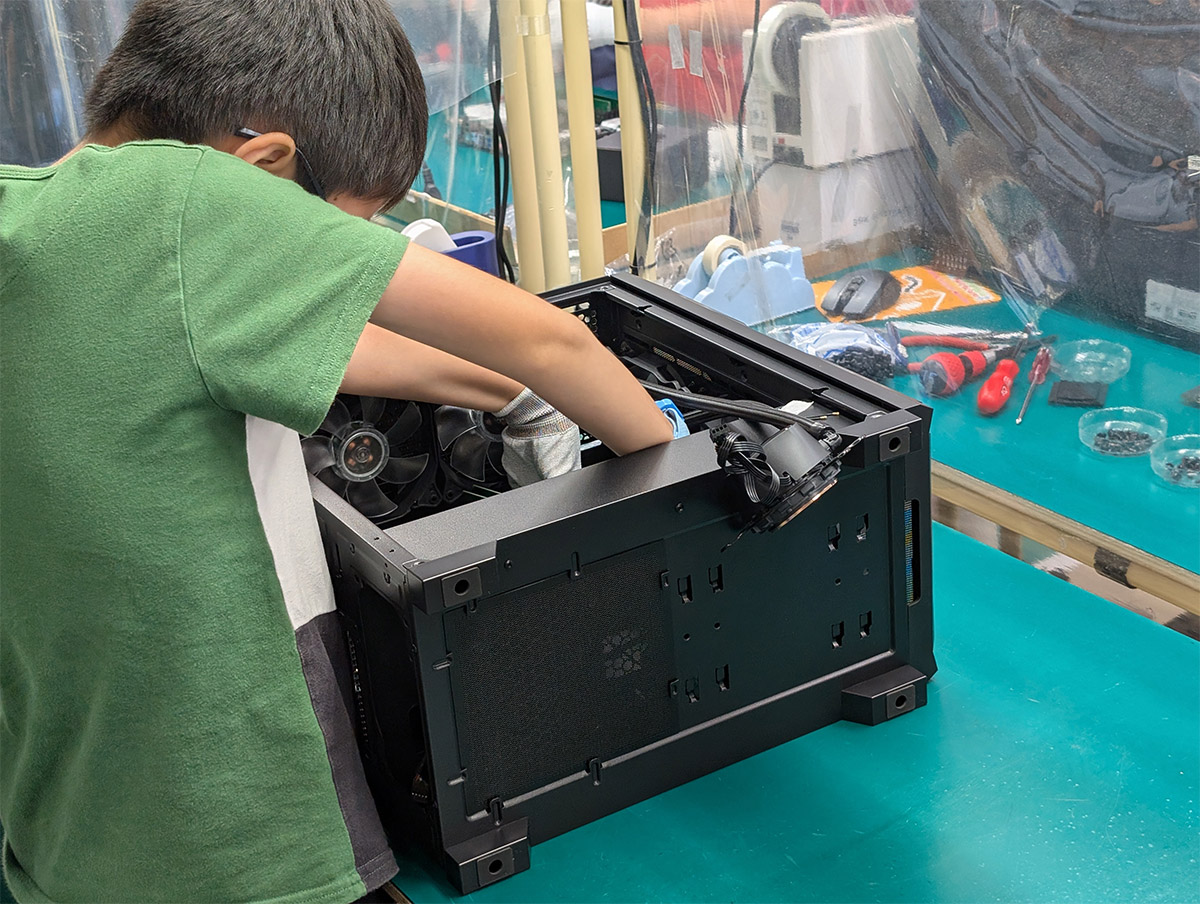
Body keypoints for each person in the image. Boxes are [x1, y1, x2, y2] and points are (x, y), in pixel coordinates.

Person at [0, 2, 674, 902]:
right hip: (244, 841)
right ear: (264, 167)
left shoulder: (38, 219)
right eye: (349, 229)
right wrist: (669, 471)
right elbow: (554, 342)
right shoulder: (190, 198)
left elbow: (291, 337)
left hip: (68, 835)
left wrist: (499, 391)